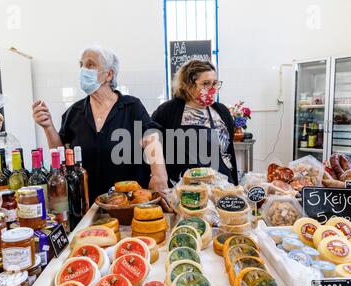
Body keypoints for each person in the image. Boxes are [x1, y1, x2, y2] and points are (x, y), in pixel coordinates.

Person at [32, 45, 168, 204]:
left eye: (90, 65)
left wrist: (159, 176)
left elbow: (151, 138)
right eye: (81, 65)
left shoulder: (132, 107)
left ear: (109, 74)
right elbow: (60, 154)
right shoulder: (74, 113)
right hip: (87, 205)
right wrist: (48, 127)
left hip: (130, 203)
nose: (83, 70)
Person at [152, 59, 238, 185]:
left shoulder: (222, 111)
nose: (212, 88)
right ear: (188, 85)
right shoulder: (168, 111)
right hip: (183, 188)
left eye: (215, 83)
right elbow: (153, 146)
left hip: (221, 186)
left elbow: (228, 151)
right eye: (206, 83)